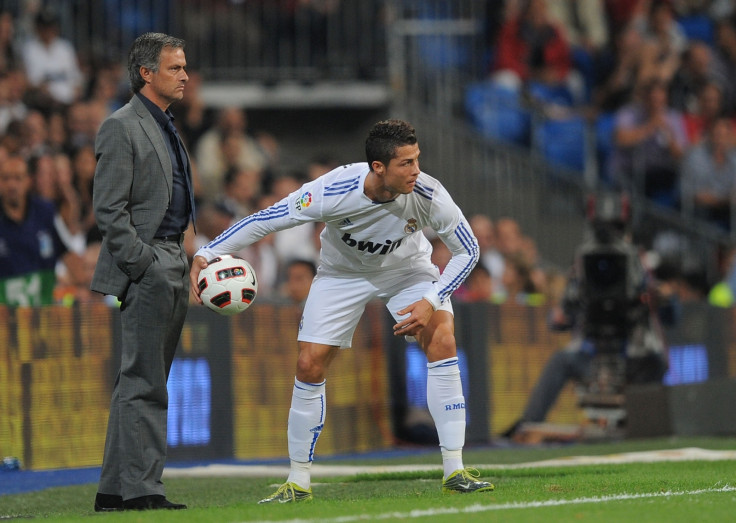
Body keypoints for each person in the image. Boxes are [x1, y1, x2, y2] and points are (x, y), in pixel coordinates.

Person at [190, 119, 494, 503]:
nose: (417, 170)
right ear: (378, 167)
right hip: (341, 274)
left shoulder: (429, 193)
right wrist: (207, 251)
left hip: (408, 272)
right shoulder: (332, 190)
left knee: (443, 338)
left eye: (417, 160)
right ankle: (298, 482)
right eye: (406, 163)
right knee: (309, 364)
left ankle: (455, 469)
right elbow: (266, 219)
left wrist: (432, 299)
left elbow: (470, 251)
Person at [91, 32, 194, 512]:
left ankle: (114, 489)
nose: (185, 75)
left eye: (184, 67)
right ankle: (143, 490)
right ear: (146, 73)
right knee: (144, 381)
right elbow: (109, 212)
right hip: (150, 263)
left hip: (172, 257)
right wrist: (144, 265)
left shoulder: (166, 123)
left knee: (141, 378)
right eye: (175, 68)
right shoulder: (121, 126)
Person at [503, 192, 668, 440]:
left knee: (656, 360)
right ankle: (528, 425)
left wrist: (654, 297)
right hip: (592, 354)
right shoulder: (582, 263)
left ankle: (648, 424)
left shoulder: (639, 262)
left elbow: (667, 310)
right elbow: (559, 317)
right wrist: (569, 310)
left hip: (634, 356)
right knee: (561, 360)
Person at [0, 153, 83, 306]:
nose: (11, 185)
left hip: (43, 311)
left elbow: (67, 253)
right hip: (5, 316)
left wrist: (84, 283)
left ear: (28, 181)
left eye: (17, 178)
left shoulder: (46, 212)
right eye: (5, 178)